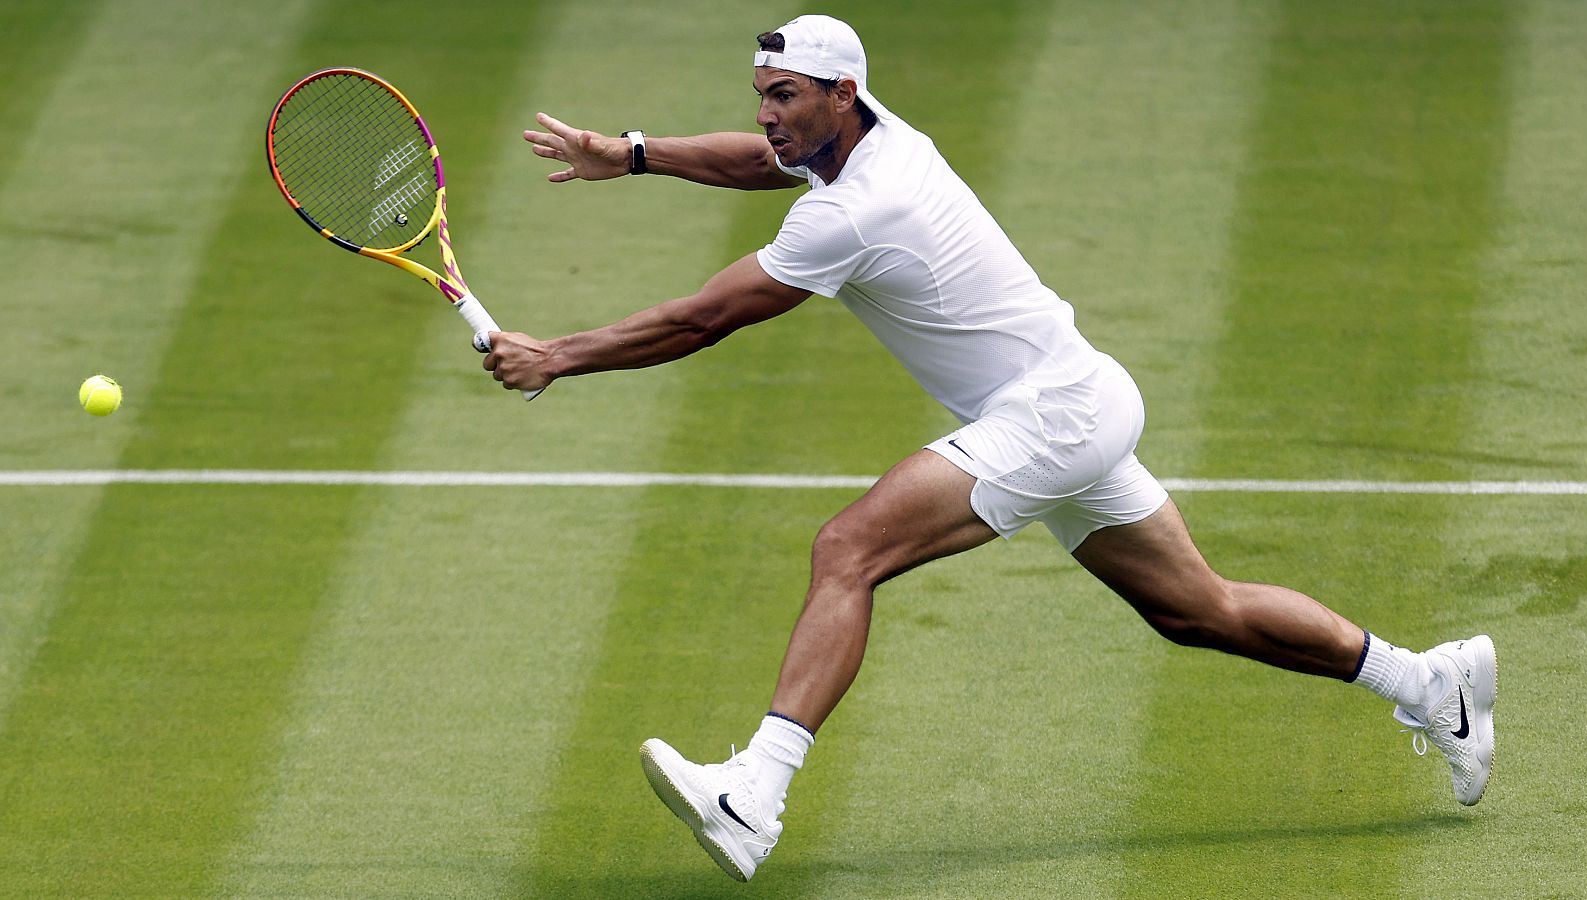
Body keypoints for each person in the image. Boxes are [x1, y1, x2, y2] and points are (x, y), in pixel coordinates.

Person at [483, 14, 1497, 883]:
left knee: (849, 549)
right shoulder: (873, 136)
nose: (765, 115)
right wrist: (637, 152)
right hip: (1079, 398)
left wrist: (558, 356)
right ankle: (1427, 683)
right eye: (759, 94)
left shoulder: (854, 212)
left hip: (1049, 412)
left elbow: (700, 319)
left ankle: (756, 794)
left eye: (784, 96)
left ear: (841, 94)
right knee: (1198, 611)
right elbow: (763, 161)